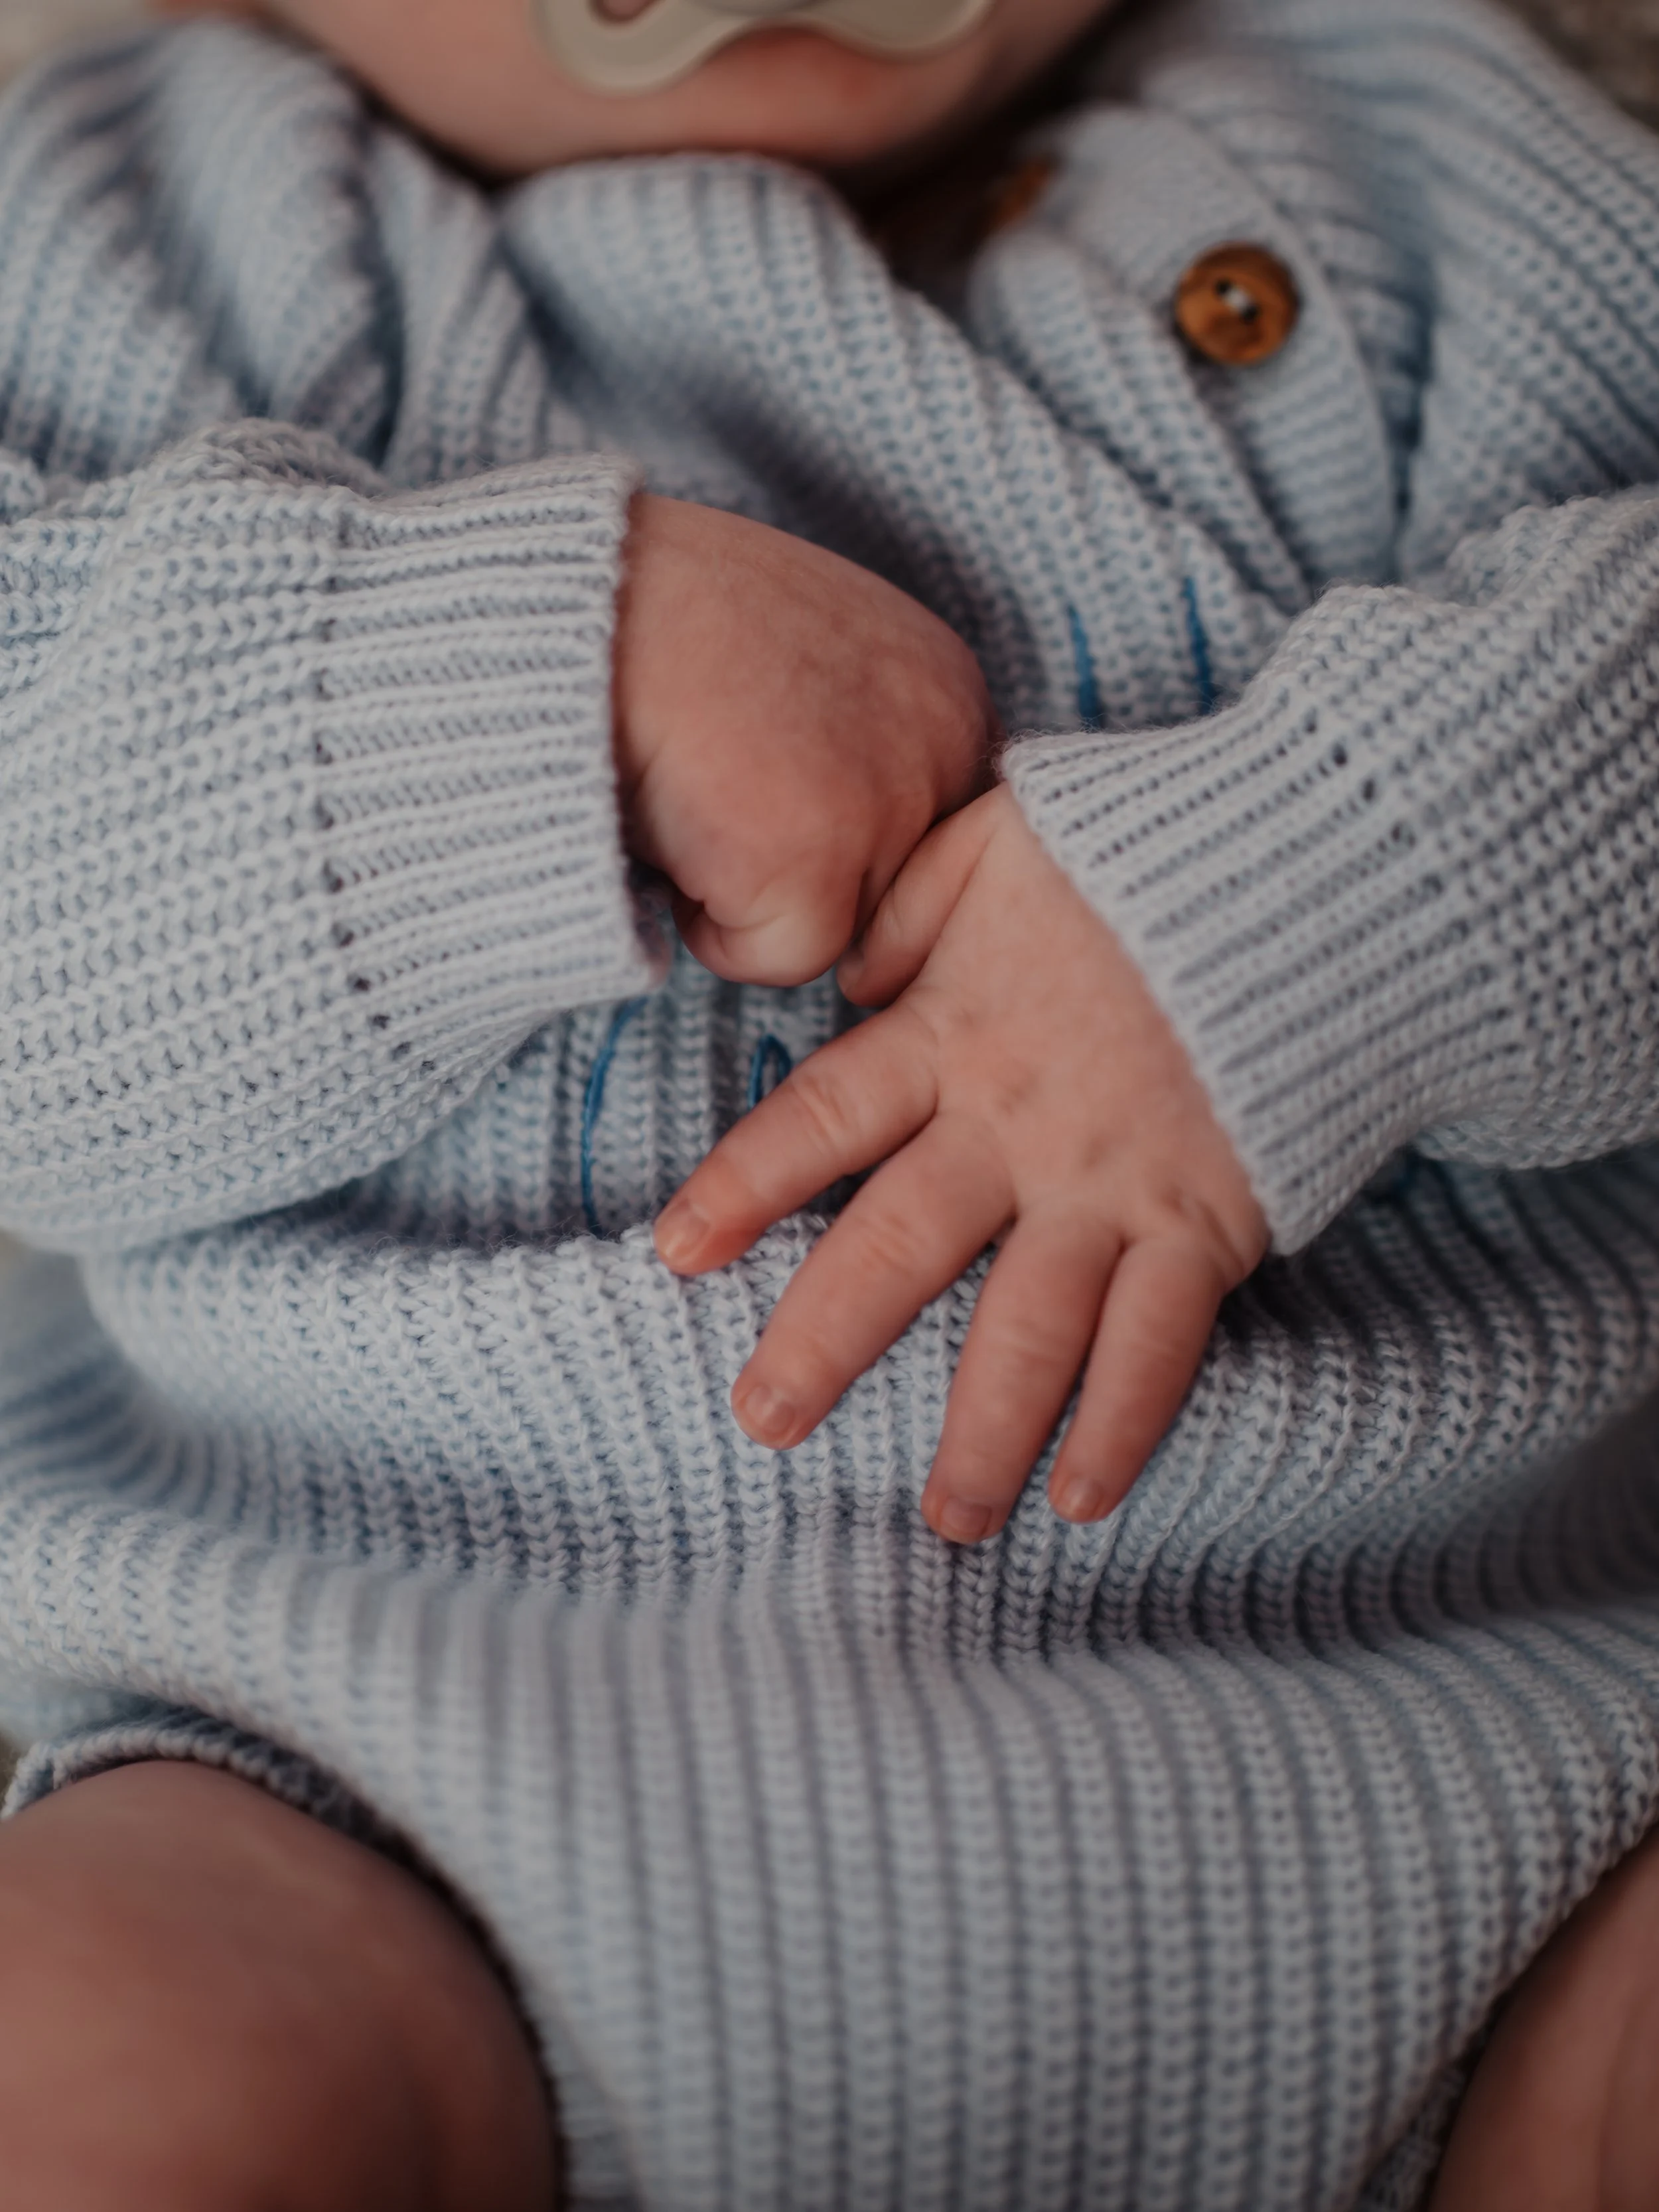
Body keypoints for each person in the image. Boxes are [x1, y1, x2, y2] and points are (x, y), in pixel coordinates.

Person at [0, 0, 1656, 2199]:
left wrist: (1328, 887)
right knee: (98, 2087)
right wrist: (515, 693)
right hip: (384, 1780)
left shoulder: (1417, 135)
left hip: (1475, 1768)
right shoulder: (138, 218)